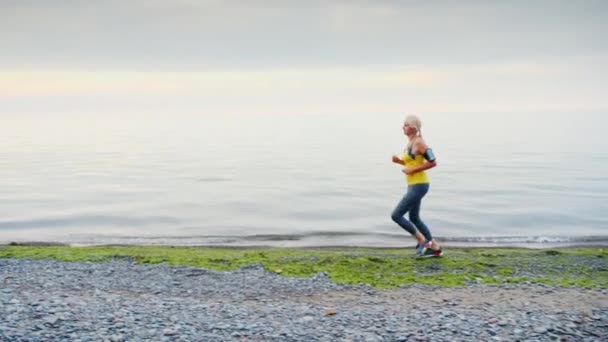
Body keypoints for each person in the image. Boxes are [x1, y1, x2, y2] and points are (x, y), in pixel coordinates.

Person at [391, 115, 442, 257]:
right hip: (413, 184)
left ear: (414, 127)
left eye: (406, 125)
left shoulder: (419, 142)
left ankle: (422, 241)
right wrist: (399, 162)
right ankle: (435, 247)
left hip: (419, 185)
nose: (403, 127)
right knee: (414, 218)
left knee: (396, 215)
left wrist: (411, 170)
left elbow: (433, 162)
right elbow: (412, 163)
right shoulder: (411, 142)